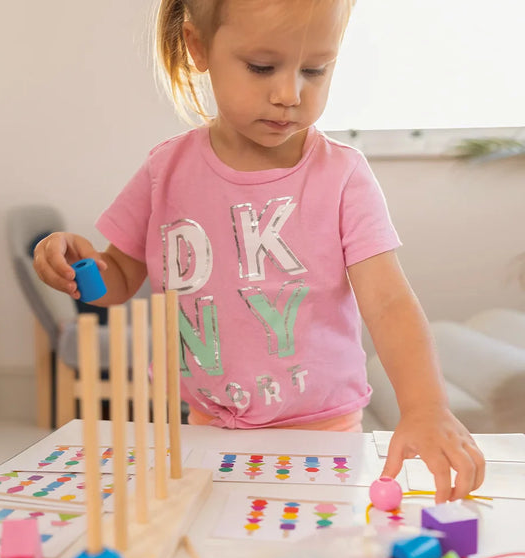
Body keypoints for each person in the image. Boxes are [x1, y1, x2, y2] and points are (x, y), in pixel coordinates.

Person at [33, 0, 485, 502]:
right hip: (205, 425)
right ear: (198, 47)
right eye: (262, 67)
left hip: (322, 430)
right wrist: (82, 265)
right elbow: (116, 277)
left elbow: (388, 303)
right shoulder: (166, 171)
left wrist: (425, 406)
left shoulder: (343, 177)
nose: (290, 93)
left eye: (315, 69)